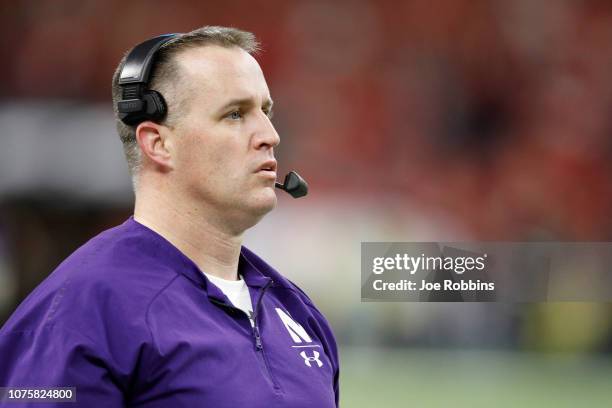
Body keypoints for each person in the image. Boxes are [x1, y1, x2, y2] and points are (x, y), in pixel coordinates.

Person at [0, 26, 339, 407]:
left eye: (266, 111)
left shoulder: (296, 312)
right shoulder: (83, 305)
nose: (270, 134)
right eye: (234, 114)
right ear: (158, 143)